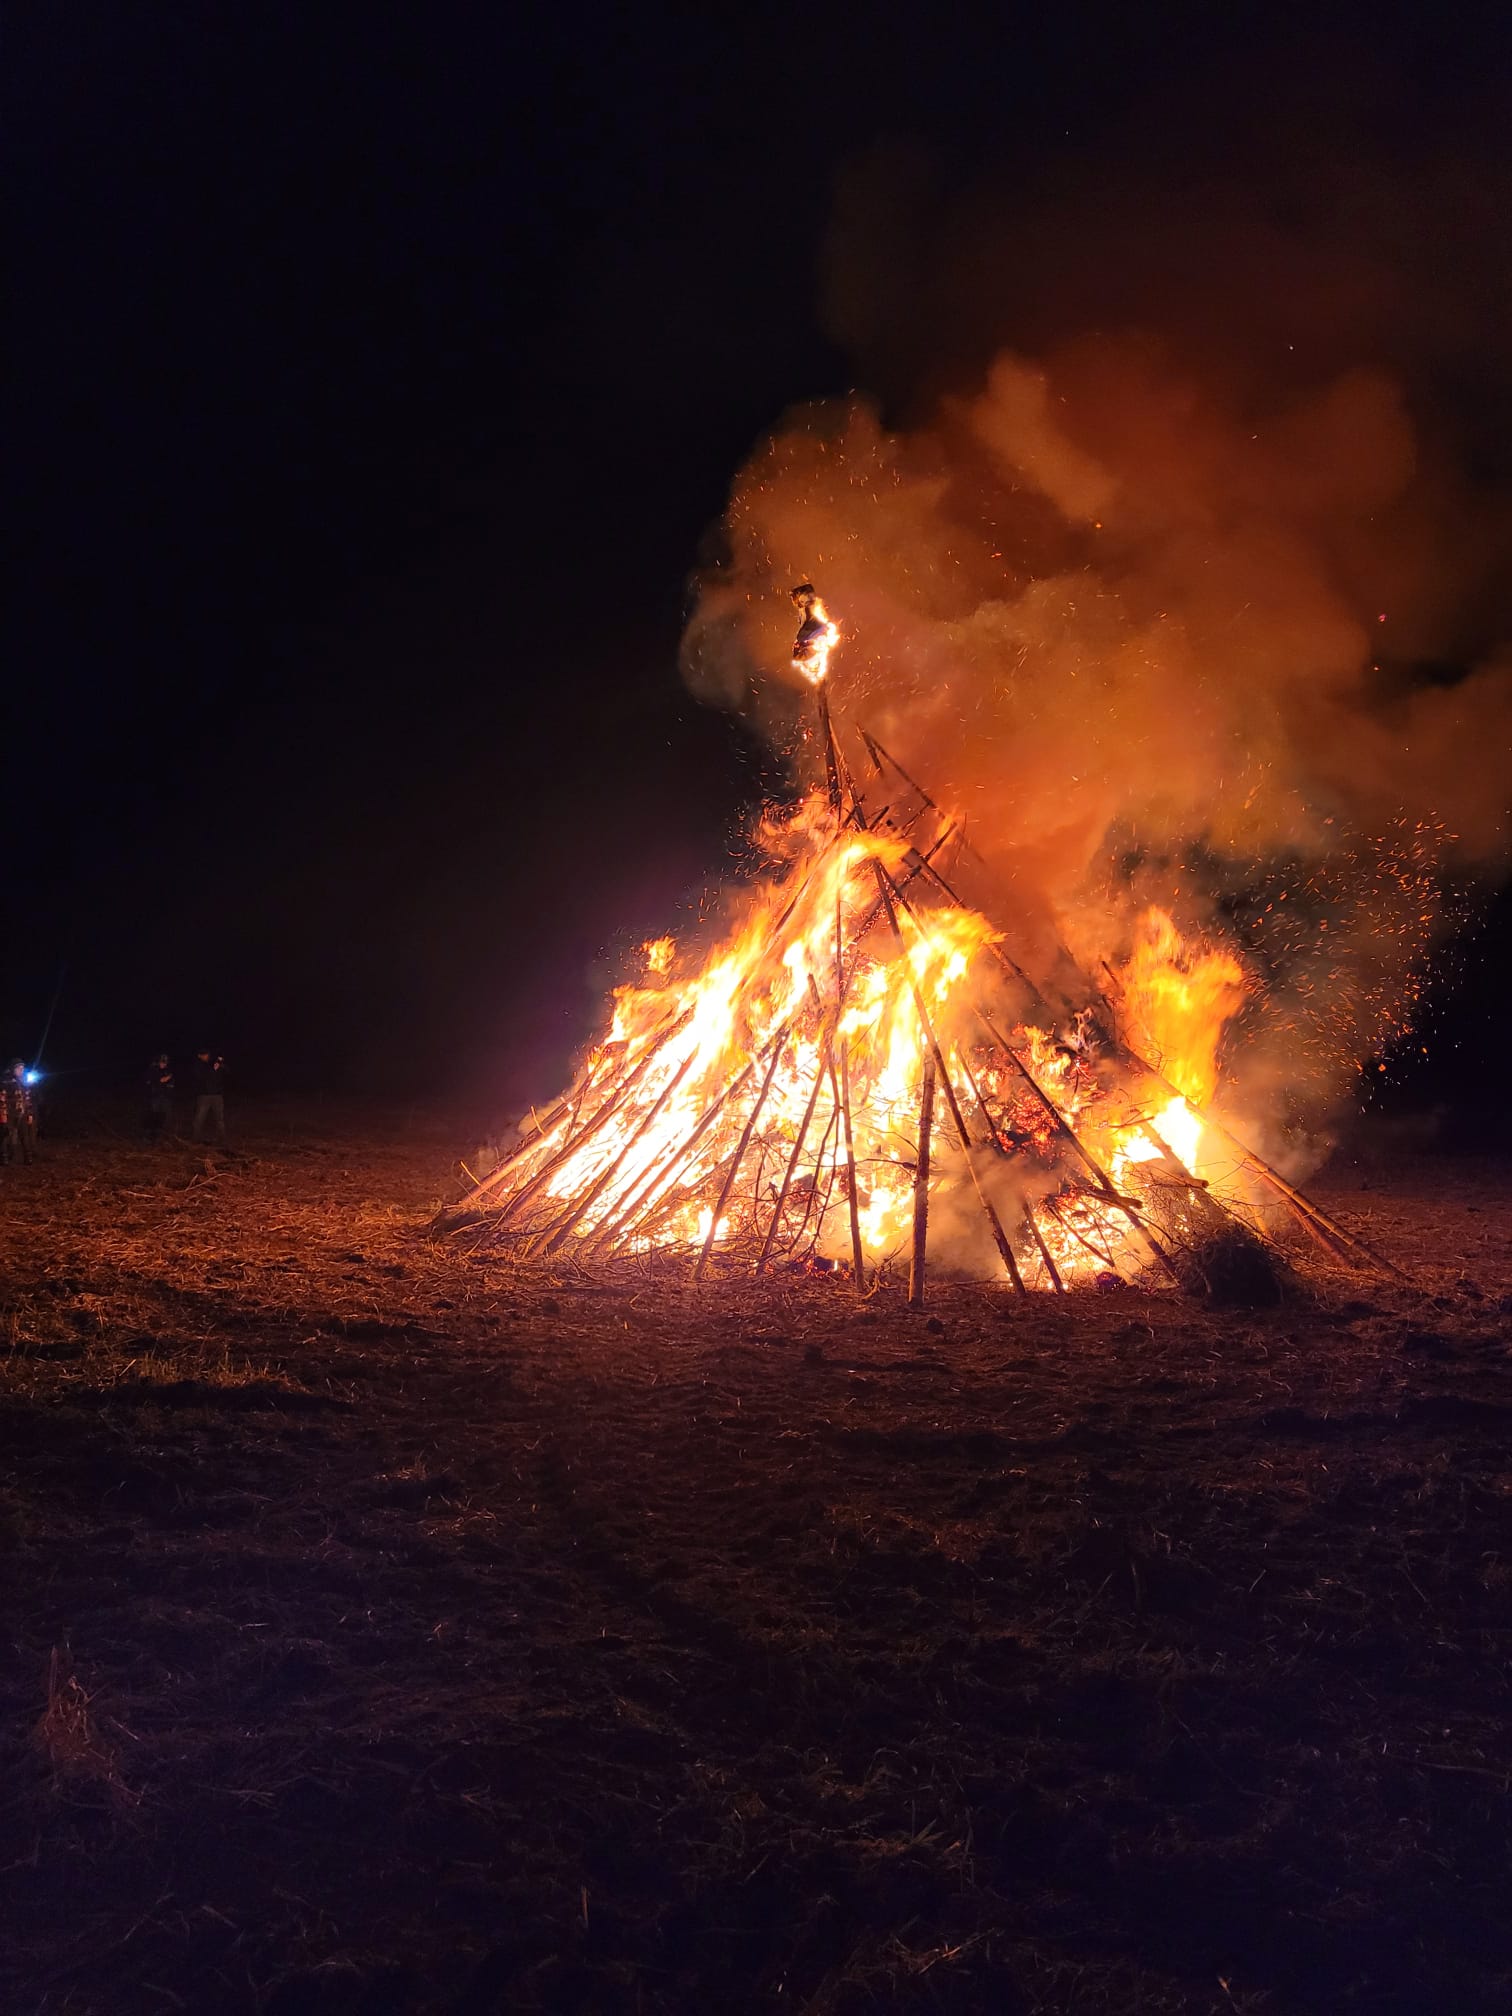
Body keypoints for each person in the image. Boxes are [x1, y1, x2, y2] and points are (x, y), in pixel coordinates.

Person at [3, 1059, 38, 1165]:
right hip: (10, 1113)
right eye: (18, 1068)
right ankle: (5, 1158)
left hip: (22, 1113)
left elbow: (28, 1098)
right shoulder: (6, 1081)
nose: (21, 1070)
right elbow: (2, 1097)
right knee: (7, 1136)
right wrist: (3, 1113)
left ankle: (28, 1158)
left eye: (22, 1068)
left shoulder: (24, 1081)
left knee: (24, 1135)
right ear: (13, 1069)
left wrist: (30, 1113)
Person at [191, 1048, 226, 1144]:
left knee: (220, 1119)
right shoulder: (198, 1065)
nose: (206, 1056)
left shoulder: (213, 1063)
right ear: (199, 1056)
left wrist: (220, 1066)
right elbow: (201, 1077)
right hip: (204, 1096)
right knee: (199, 1118)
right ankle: (195, 1139)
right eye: (204, 1054)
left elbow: (225, 1073)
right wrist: (213, 1070)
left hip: (217, 1095)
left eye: (207, 1054)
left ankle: (222, 1139)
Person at [144, 1054, 175, 1145]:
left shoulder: (168, 1071)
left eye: (165, 1062)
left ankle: (165, 1135)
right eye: (162, 1062)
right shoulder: (152, 1070)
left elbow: (171, 1083)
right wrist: (159, 1081)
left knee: (166, 1116)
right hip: (155, 1097)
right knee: (154, 1116)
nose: (163, 1064)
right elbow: (148, 1082)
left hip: (166, 1097)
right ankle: (150, 1137)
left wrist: (169, 1084)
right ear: (158, 1061)